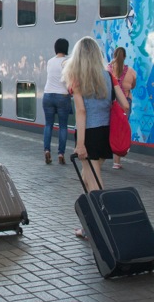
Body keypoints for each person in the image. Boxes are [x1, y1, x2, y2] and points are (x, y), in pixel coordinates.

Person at [63, 37, 129, 238]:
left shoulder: (77, 78)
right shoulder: (108, 76)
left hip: (88, 133)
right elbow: (125, 105)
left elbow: (81, 111)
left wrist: (81, 144)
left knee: (94, 181)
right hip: (104, 132)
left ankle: (100, 224)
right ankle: (89, 224)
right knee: (88, 175)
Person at [42, 38, 72, 166]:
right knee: (63, 126)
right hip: (62, 96)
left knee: (48, 124)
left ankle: (47, 150)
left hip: (48, 95)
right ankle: (61, 153)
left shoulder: (50, 61)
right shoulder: (68, 62)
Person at [107, 46, 137, 170]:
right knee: (120, 131)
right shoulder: (131, 71)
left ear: (114, 55)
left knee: (109, 129)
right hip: (125, 102)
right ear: (124, 57)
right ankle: (117, 162)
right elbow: (133, 86)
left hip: (112, 103)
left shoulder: (108, 69)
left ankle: (101, 156)